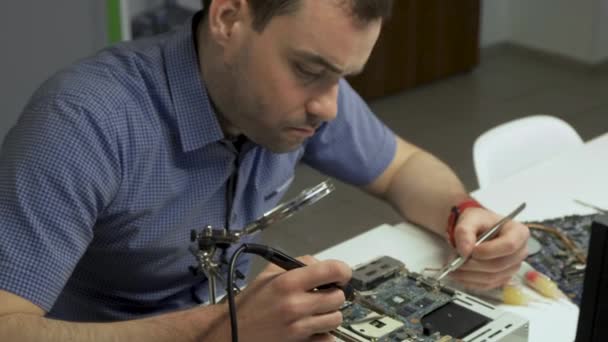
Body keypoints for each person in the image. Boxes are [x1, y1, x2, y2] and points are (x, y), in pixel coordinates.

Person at [0, 0, 530, 340]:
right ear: (230, 18)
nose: (328, 106)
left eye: (342, 76)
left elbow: (402, 168)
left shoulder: (308, 99)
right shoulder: (84, 121)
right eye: (308, 70)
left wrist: (464, 213)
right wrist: (225, 326)